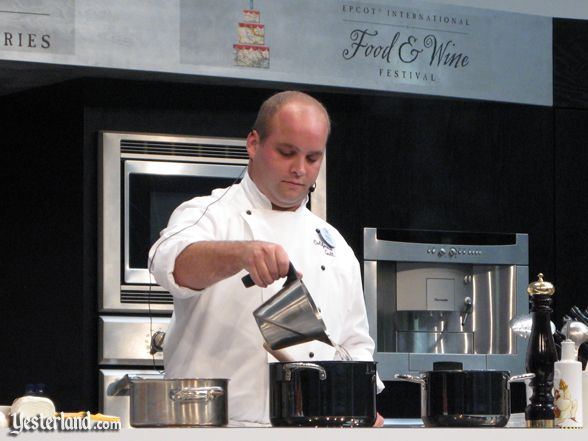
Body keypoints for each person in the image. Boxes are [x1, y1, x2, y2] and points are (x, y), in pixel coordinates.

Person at [148, 90, 384, 426]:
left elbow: (353, 345)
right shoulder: (209, 214)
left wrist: (359, 402)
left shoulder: (333, 244)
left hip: (305, 430)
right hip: (210, 428)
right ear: (254, 144)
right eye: (286, 152)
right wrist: (241, 253)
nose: (299, 169)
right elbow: (169, 265)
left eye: (313, 158)